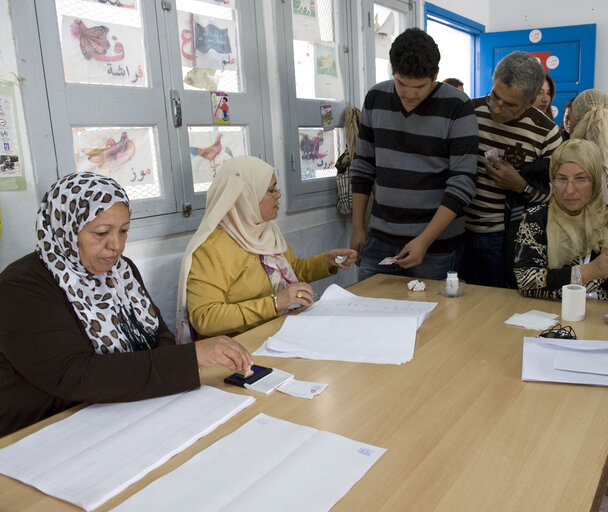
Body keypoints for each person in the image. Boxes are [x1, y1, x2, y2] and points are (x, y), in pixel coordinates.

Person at [0, 172, 253, 437]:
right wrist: (190, 358)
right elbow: (76, 374)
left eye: (123, 231)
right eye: (101, 233)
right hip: (45, 429)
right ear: (65, 229)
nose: (116, 246)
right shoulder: (20, 288)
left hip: (121, 411)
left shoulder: (121, 272)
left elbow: (159, 336)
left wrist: (173, 368)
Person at [178, 156, 357, 342]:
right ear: (245, 197)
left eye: (276, 188)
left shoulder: (266, 230)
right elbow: (205, 317)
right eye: (270, 190)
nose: (278, 195)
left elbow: (291, 270)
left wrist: (325, 261)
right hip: (239, 346)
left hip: (276, 331)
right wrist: (274, 303)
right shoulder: (212, 250)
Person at [349, 28, 478, 281]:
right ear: (392, 71)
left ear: (435, 76)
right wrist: (357, 229)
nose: (409, 94)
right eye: (401, 84)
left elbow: (462, 184)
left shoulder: (458, 106)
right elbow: (363, 167)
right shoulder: (376, 98)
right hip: (380, 237)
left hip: (436, 246)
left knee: (433, 319)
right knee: (367, 313)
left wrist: (425, 240)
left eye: (419, 87)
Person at [462, 52, 561, 288]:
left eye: (510, 105)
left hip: (506, 237)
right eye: (494, 97)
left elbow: (558, 198)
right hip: (457, 230)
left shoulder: (546, 132)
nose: (496, 109)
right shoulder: (469, 111)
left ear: (529, 102)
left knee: (494, 307)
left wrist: (521, 186)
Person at [513, 139, 608, 302]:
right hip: (549, 315)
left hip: (600, 319)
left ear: (595, 180)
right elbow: (524, 280)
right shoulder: (536, 218)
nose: (569, 190)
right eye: (561, 179)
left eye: (581, 179)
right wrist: (588, 272)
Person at [567, 89, 608, 198]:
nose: (569, 120)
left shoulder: (578, 150)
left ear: (580, 116)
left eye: (571, 115)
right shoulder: (604, 149)